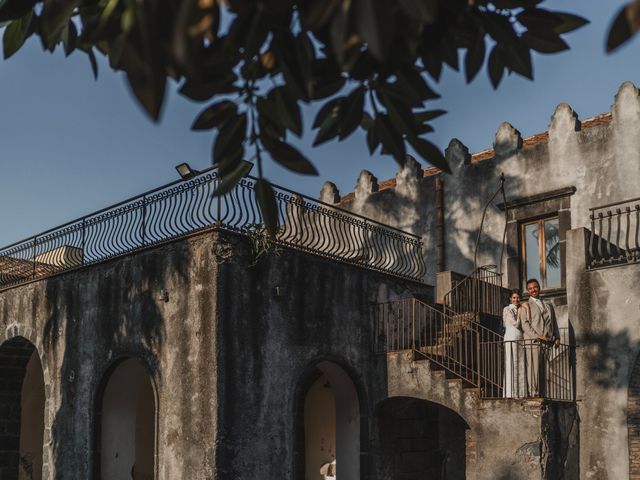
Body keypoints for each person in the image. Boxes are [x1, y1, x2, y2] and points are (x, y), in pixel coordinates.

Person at [519, 278, 560, 397]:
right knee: (533, 368)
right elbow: (524, 324)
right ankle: (533, 393)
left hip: (547, 341)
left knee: (544, 369)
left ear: (539, 288)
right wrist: (537, 336)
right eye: (530, 288)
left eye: (535, 287)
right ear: (528, 291)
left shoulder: (548, 304)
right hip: (534, 341)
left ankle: (543, 392)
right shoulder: (525, 305)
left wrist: (556, 337)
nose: (533, 290)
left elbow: (554, 322)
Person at [502, 289, 527, 398]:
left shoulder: (521, 308)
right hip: (511, 337)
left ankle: (520, 392)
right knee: (511, 363)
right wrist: (521, 311)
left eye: (517, 297)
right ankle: (510, 392)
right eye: (514, 297)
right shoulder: (507, 309)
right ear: (510, 299)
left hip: (520, 338)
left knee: (520, 363)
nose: (516, 300)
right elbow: (516, 324)